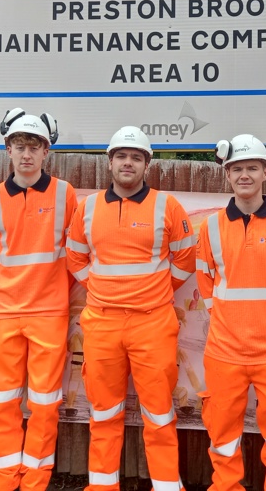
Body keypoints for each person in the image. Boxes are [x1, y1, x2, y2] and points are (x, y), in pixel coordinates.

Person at [66, 126, 195, 490]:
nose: (128, 163)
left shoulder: (167, 206)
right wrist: (100, 287)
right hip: (102, 323)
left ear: (146, 164)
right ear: (110, 162)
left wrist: (155, 290)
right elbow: (75, 256)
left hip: (153, 322)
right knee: (103, 413)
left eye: (136, 157)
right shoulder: (87, 207)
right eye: (121, 156)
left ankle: (168, 486)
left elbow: (186, 257)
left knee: (159, 414)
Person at [195, 134, 266, 491]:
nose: (244, 175)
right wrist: (227, 317)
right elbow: (204, 279)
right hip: (224, 350)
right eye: (237, 169)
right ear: (227, 174)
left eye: (252, 168)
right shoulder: (210, 227)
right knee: (223, 433)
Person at [0, 108, 77, 491]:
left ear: (46, 152)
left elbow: (76, 253)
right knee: (2, 402)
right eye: (19, 146)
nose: (26, 154)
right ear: (8, 149)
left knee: (45, 402)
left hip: (50, 312)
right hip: (4, 311)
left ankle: (35, 481)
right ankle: (4, 480)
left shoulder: (66, 193)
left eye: (34, 147)